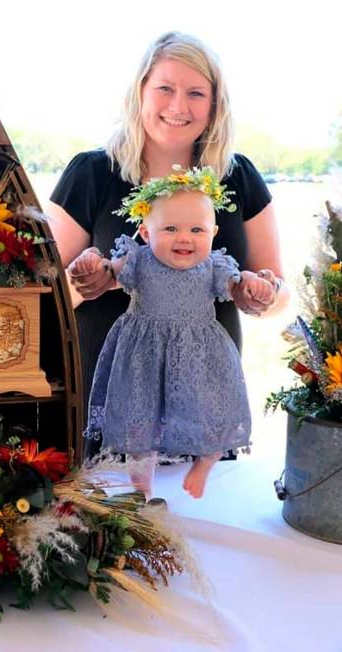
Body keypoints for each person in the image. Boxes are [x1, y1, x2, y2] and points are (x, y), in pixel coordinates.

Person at [47, 31, 289, 458]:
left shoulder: (239, 176)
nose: (179, 107)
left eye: (196, 93)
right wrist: (87, 281)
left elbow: (280, 292)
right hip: (108, 395)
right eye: (165, 88)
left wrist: (261, 295)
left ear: (215, 105)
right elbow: (40, 297)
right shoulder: (91, 173)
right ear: (140, 91)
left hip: (203, 402)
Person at [69, 168, 277, 498]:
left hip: (201, 355)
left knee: (213, 415)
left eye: (197, 229)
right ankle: (142, 487)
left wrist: (254, 283)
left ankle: (205, 464)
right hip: (143, 357)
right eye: (170, 228)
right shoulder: (138, 260)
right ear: (146, 233)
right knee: (141, 426)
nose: (184, 238)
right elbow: (107, 273)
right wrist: (92, 263)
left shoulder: (214, 266)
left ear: (214, 232)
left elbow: (239, 285)